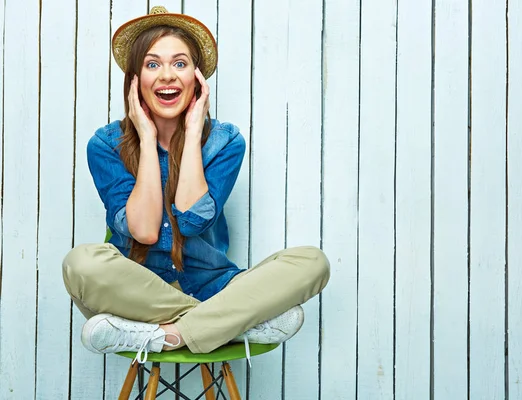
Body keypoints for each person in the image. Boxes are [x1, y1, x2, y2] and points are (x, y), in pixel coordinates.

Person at [62, 6, 330, 365]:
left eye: (180, 63)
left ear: (197, 78)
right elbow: (143, 232)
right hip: (137, 293)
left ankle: (167, 336)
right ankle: (229, 324)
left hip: (213, 287)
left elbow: (191, 221)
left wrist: (191, 134)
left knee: (312, 262)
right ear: (135, 79)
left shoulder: (223, 141)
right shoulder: (106, 144)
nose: (166, 76)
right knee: (80, 263)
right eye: (152, 64)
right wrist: (145, 136)